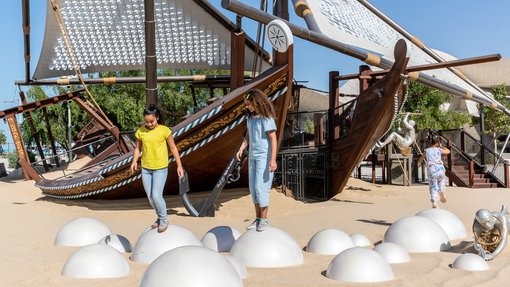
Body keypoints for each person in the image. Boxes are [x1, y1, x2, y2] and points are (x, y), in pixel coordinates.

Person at [131, 104, 184, 233]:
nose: (149, 124)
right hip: (146, 169)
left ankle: (164, 219)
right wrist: (134, 161)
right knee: (150, 197)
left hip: (160, 168)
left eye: (152, 121)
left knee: (156, 195)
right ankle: (160, 217)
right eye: (147, 122)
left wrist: (179, 165)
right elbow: (138, 148)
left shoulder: (165, 130)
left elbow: (173, 148)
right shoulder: (140, 132)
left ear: (157, 117)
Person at [237, 89, 277, 232]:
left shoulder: (267, 118)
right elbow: (248, 134)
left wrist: (273, 160)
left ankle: (264, 219)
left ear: (257, 102)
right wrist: (242, 147)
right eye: (246, 104)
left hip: (264, 158)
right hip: (253, 157)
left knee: (261, 188)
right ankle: (258, 218)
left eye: (249, 104)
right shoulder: (251, 118)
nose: (248, 106)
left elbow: (273, 139)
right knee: (253, 189)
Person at [418, 134, 450, 208]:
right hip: (440, 169)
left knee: (433, 186)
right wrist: (441, 146)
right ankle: (441, 190)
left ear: (429, 142)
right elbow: (448, 151)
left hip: (432, 170)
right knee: (441, 181)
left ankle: (434, 202)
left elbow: (421, 159)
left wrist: (419, 163)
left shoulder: (426, 151)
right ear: (437, 142)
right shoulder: (439, 149)